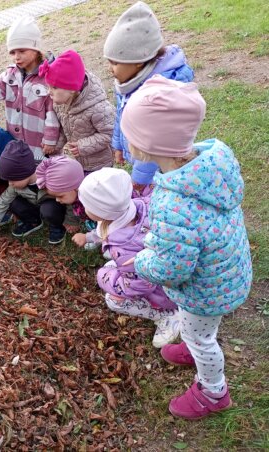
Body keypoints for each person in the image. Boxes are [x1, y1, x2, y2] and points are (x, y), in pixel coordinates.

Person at [122, 76, 252, 419]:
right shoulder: (208, 168)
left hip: (206, 289)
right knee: (202, 327)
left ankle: (213, 391)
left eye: (130, 133)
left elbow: (173, 268)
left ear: (148, 145)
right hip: (226, 270)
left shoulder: (176, 203)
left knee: (202, 339)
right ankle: (197, 342)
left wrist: (143, 261)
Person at [73, 168, 179, 347]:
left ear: (100, 212)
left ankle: (167, 316)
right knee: (113, 263)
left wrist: (106, 278)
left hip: (167, 290)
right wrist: (89, 238)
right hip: (171, 267)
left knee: (113, 300)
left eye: (87, 206)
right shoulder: (139, 205)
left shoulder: (126, 250)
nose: (84, 208)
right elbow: (103, 231)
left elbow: (141, 285)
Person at [104, 1, 194, 195]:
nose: (110, 69)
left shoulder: (158, 95)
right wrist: (119, 145)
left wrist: (140, 178)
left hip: (161, 167)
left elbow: (155, 144)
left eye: (115, 63)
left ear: (137, 62)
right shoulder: (128, 83)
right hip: (139, 155)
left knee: (158, 197)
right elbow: (122, 116)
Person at [0, 16, 59, 161]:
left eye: (22, 51)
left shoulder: (47, 77)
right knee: (21, 173)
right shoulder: (11, 73)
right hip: (17, 141)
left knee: (42, 176)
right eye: (12, 52)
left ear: (35, 49)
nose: (16, 57)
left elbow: (53, 111)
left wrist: (50, 138)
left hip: (40, 145)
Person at [39, 49, 114, 173]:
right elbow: (64, 128)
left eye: (54, 87)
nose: (49, 92)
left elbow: (109, 134)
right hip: (76, 161)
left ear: (72, 89)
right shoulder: (60, 103)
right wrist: (56, 145)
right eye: (49, 86)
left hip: (99, 165)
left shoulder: (98, 108)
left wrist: (82, 146)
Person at [0, 140, 42, 242]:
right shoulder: (15, 186)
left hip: (50, 207)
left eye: (13, 179)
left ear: (26, 172)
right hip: (35, 207)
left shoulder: (49, 179)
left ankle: (56, 225)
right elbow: (1, 202)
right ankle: (33, 221)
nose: (10, 183)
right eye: (8, 180)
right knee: (12, 202)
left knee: (51, 207)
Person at [35, 155, 86, 244]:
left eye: (61, 196)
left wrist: (72, 221)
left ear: (75, 187)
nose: (57, 200)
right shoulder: (69, 191)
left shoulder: (90, 198)